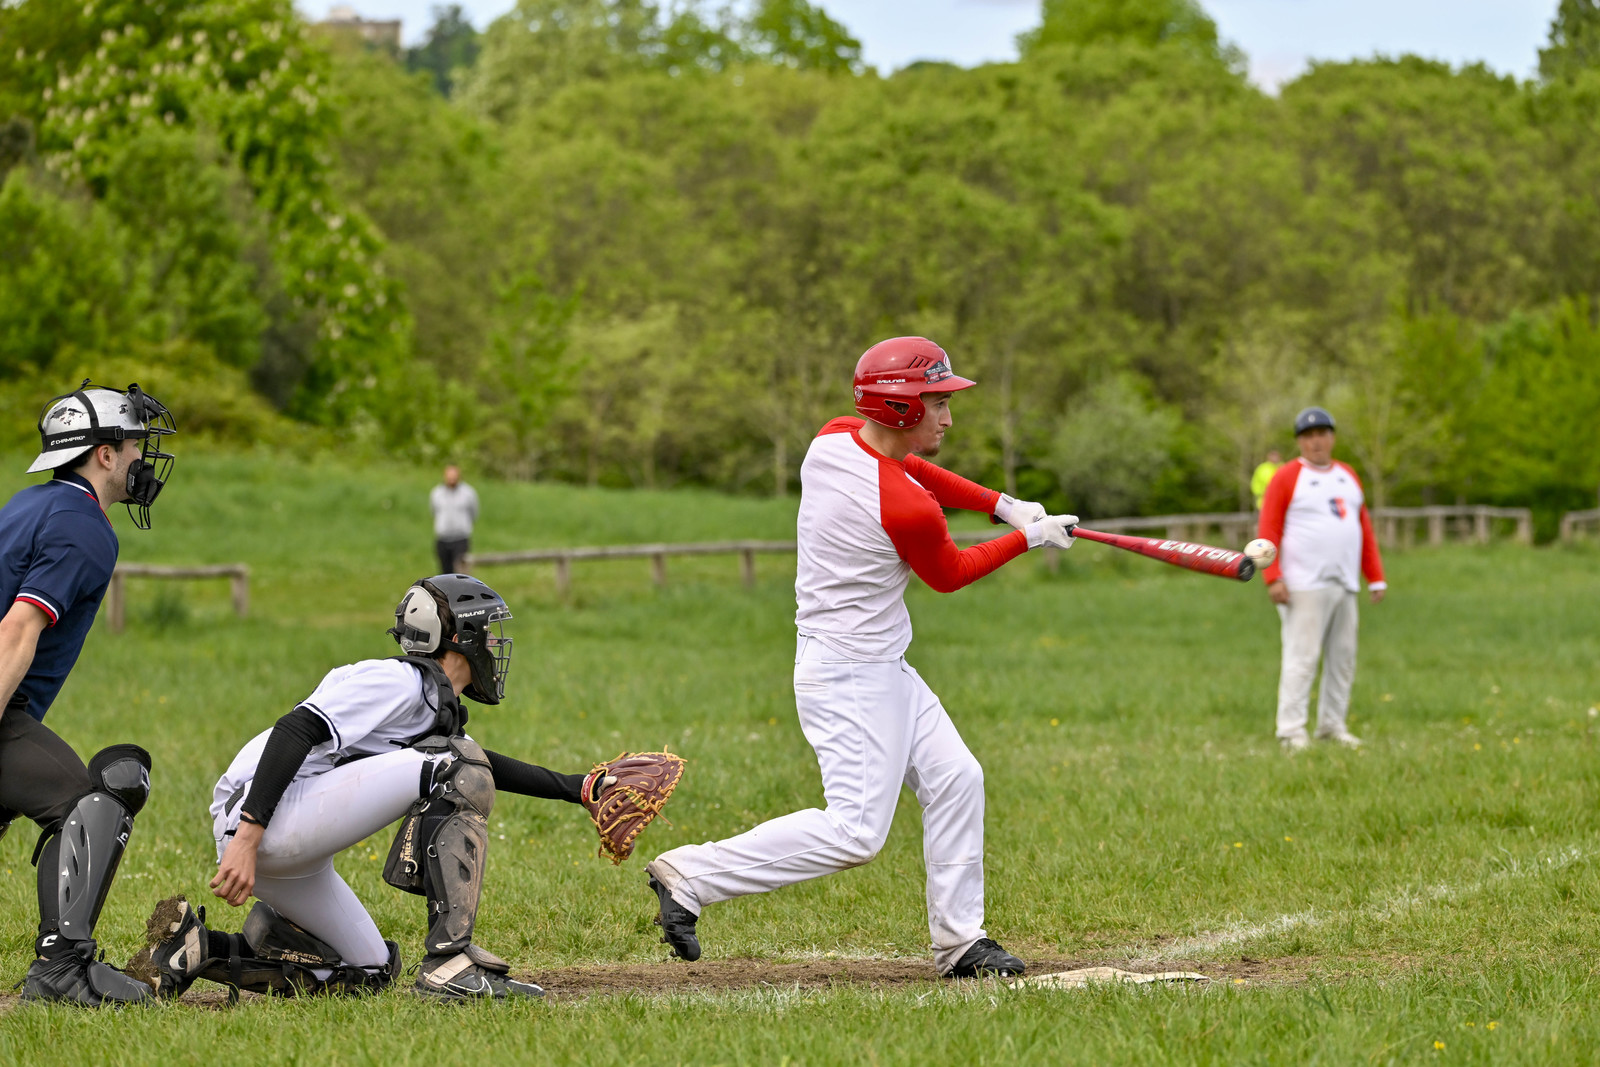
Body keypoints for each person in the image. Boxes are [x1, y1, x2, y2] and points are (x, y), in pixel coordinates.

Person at [643, 336, 1079, 980]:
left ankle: (962, 943)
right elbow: (951, 573)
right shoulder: (904, 508)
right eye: (937, 403)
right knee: (855, 832)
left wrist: (998, 502)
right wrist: (1025, 537)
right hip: (850, 675)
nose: (948, 417)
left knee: (958, 779)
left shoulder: (835, 440)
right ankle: (690, 876)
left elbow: (909, 468)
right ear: (901, 408)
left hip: (877, 664)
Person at [130, 574, 656, 1002]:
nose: (495, 644)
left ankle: (200, 949)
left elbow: (482, 762)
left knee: (371, 973)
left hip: (286, 840)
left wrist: (579, 788)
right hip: (267, 820)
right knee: (454, 766)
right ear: (460, 637)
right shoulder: (397, 681)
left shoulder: (428, 700)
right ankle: (450, 961)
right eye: (488, 631)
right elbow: (296, 730)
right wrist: (248, 840)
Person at [2, 382, 176, 1005]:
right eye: (133, 444)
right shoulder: (84, 526)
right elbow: (18, 628)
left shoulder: (29, 504)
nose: (140, 459)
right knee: (99, 795)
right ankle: (61, 970)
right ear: (103, 453)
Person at [1257, 407, 1386, 752]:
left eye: (1322, 434)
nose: (1316, 441)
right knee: (1303, 657)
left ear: (1332, 437)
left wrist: (1375, 576)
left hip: (1343, 582)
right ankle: (1291, 731)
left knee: (1343, 657)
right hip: (1303, 584)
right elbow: (1268, 529)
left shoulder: (1347, 474)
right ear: (1300, 441)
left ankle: (1331, 725)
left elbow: (1362, 528)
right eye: (1309, 436)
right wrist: (1272, 577)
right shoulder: (1286, 477)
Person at [430, 465, 478, 574]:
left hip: (460, 539)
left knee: (461, 574)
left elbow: (474, 513)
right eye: (449, 476)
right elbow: (433, 512)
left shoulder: (468, 493)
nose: (452, 479)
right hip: (443, 539)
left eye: (454, 476)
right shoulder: (437, 493)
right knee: (444, 574)